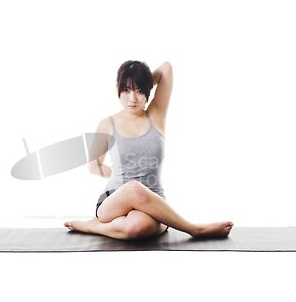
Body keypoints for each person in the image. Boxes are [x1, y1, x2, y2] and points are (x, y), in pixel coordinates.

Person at [64, 60, 233, 240]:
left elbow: (166, 68)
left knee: (137, 228)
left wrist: (142, 82)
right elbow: (93, 166)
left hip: (154, 203)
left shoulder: (156, 115)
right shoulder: (106, 125)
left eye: (139, 91)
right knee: (133, 188)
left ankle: (95, 226)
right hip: (113, 201)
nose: (133, 98)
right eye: (126, 90)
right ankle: (196, 229)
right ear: (117, 90)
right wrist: (123, 179)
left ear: (147, 92)